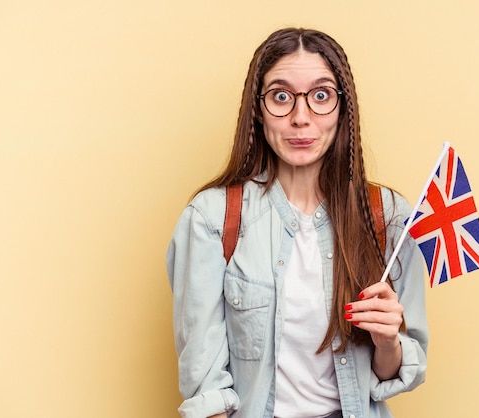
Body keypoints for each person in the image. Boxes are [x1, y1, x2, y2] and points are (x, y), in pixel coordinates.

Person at [166, 27, 428, 418]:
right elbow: (207, 390)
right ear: (257, 107)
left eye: (321, 96)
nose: (300, 118)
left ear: (342, 107)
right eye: (281, 97)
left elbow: (390, 375)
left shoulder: (387, 216)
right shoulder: (212, 219)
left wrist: (387, 341)